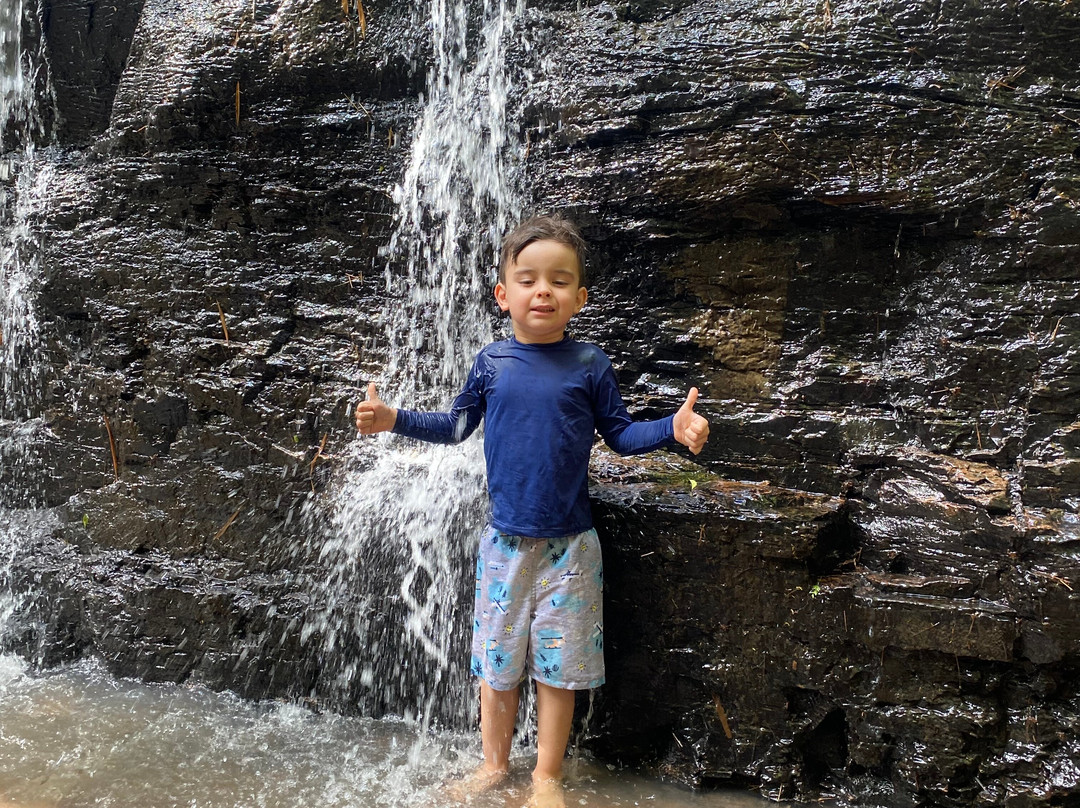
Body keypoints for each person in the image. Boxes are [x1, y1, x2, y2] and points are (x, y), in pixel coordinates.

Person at [355, 214, 709, 808]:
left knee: (558, 670)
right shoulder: (491, 364)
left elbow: (619, 436)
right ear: (503, 295)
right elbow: (456, 426)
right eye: (528, 279)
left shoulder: (589, 365)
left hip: (571, 546)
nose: (542, 289)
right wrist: (396, 420)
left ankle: (546, 776)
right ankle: (493, 765)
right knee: (497, 667)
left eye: (558, 280)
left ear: (580, 297)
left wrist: (672, 428)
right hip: (505, 545)